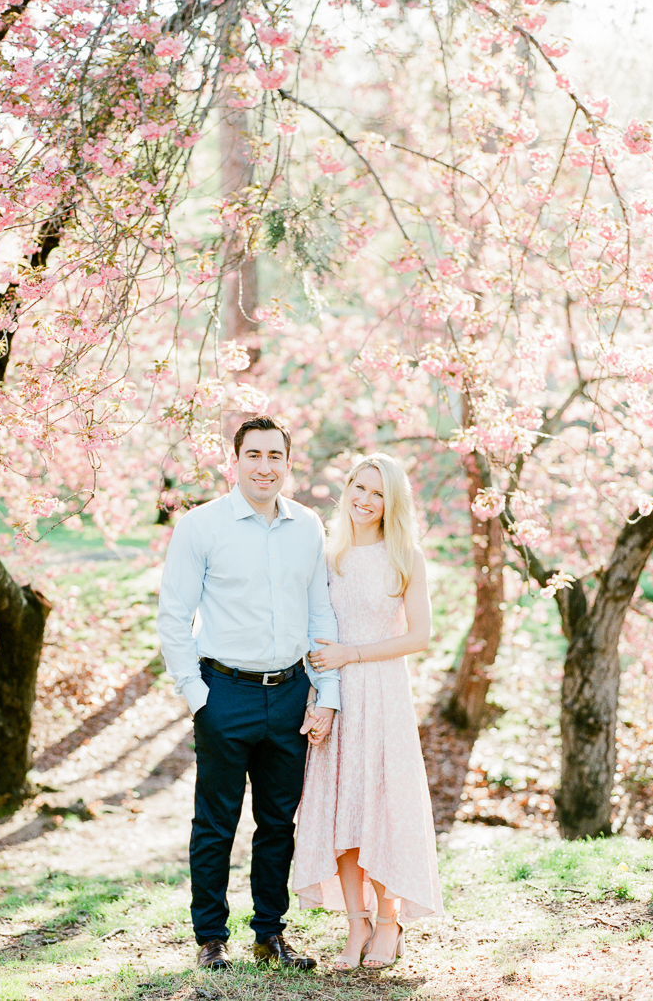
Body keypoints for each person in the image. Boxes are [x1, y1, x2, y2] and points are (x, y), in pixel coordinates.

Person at [156, 415, 340, 971]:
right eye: (253, 455)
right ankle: (211, 936)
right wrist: (197, 696)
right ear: (234, 461)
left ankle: (270, 932)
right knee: (215, 822)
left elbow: (320, 611)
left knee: (278, 822)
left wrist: (326, 691)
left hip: (290, 694)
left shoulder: (308, 525)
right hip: (224, 693)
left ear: (288, 463)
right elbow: (172, 616)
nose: (264, 466)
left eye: (274, 456)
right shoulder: (201, 526)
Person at [292, 452, 443, 971]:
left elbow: (419, 635)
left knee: (381, 808)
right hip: (335, 694)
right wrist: (319, 696)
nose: (365, 500)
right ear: (347, 489)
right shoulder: (326, 553)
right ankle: (355, 922)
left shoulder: (406, 556)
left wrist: (353, 653)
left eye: (378, 493)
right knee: (342, 808)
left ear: (391, 501)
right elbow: (311, 626)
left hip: (383, 694)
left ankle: (387, 921)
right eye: (359, 487)